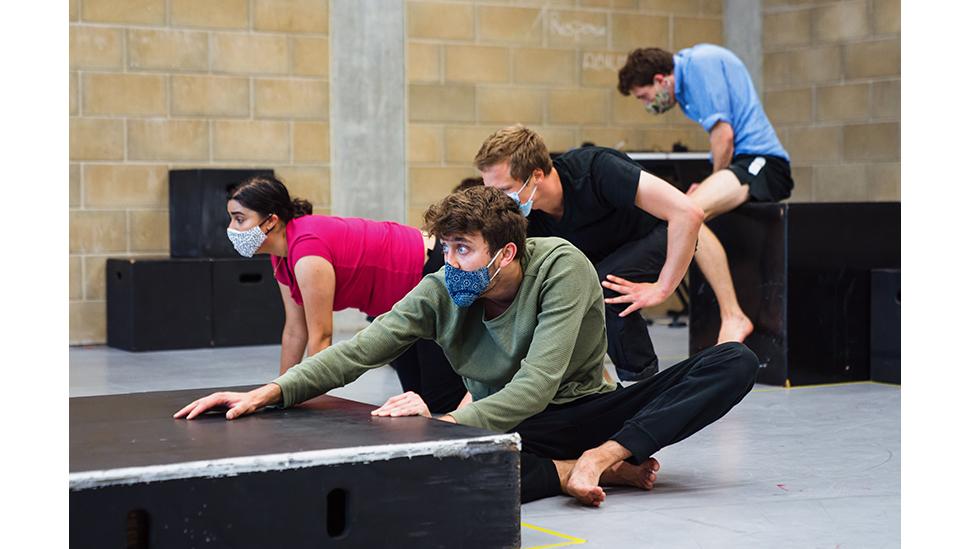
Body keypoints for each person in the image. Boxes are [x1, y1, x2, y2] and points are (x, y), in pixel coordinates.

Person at [176, 186, 759, 506]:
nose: (449, 262)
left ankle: (604, 458)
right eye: (446, 247)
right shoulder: (439, 287)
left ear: (505, 253)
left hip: (584, 407)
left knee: (733, 361)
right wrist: (271, 391)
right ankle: (567, 471)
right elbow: (359, 349)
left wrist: (447, 426)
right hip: (519, 425)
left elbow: (538, 383)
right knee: (437, 481)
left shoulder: (561, 266)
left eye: (463, 249)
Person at [474, 125, 705, 381]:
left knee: (606, 285)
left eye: (505, 190)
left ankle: (644, 384)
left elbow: (688, 213)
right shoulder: (527, 218)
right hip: (607, 254)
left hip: (658, 233)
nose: (500, 202)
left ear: (536, 175)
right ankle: (599, 387)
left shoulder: (596, 169)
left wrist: (662, 288)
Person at [224, 174, 466, 413]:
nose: (231, 228)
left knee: (440, 400)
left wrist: (310, 401)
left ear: (270, 221)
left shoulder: (307, 252)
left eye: (239, 219)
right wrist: (277, 394)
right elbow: (295, 330)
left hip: (428, 268)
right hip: (395, 301)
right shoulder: (280, 256)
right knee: (417, 395)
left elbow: (321, 336)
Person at [617, 44, 795, 344]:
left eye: (645, 97)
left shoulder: (698, 65)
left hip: (763, 162)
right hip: (741, 163)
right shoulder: (687, 80)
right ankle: (733, 314)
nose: (647, 105)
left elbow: (724, 136)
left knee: (687, 214)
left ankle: (734, 316)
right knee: (686, 214)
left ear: (661, 79)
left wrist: (712, 180)